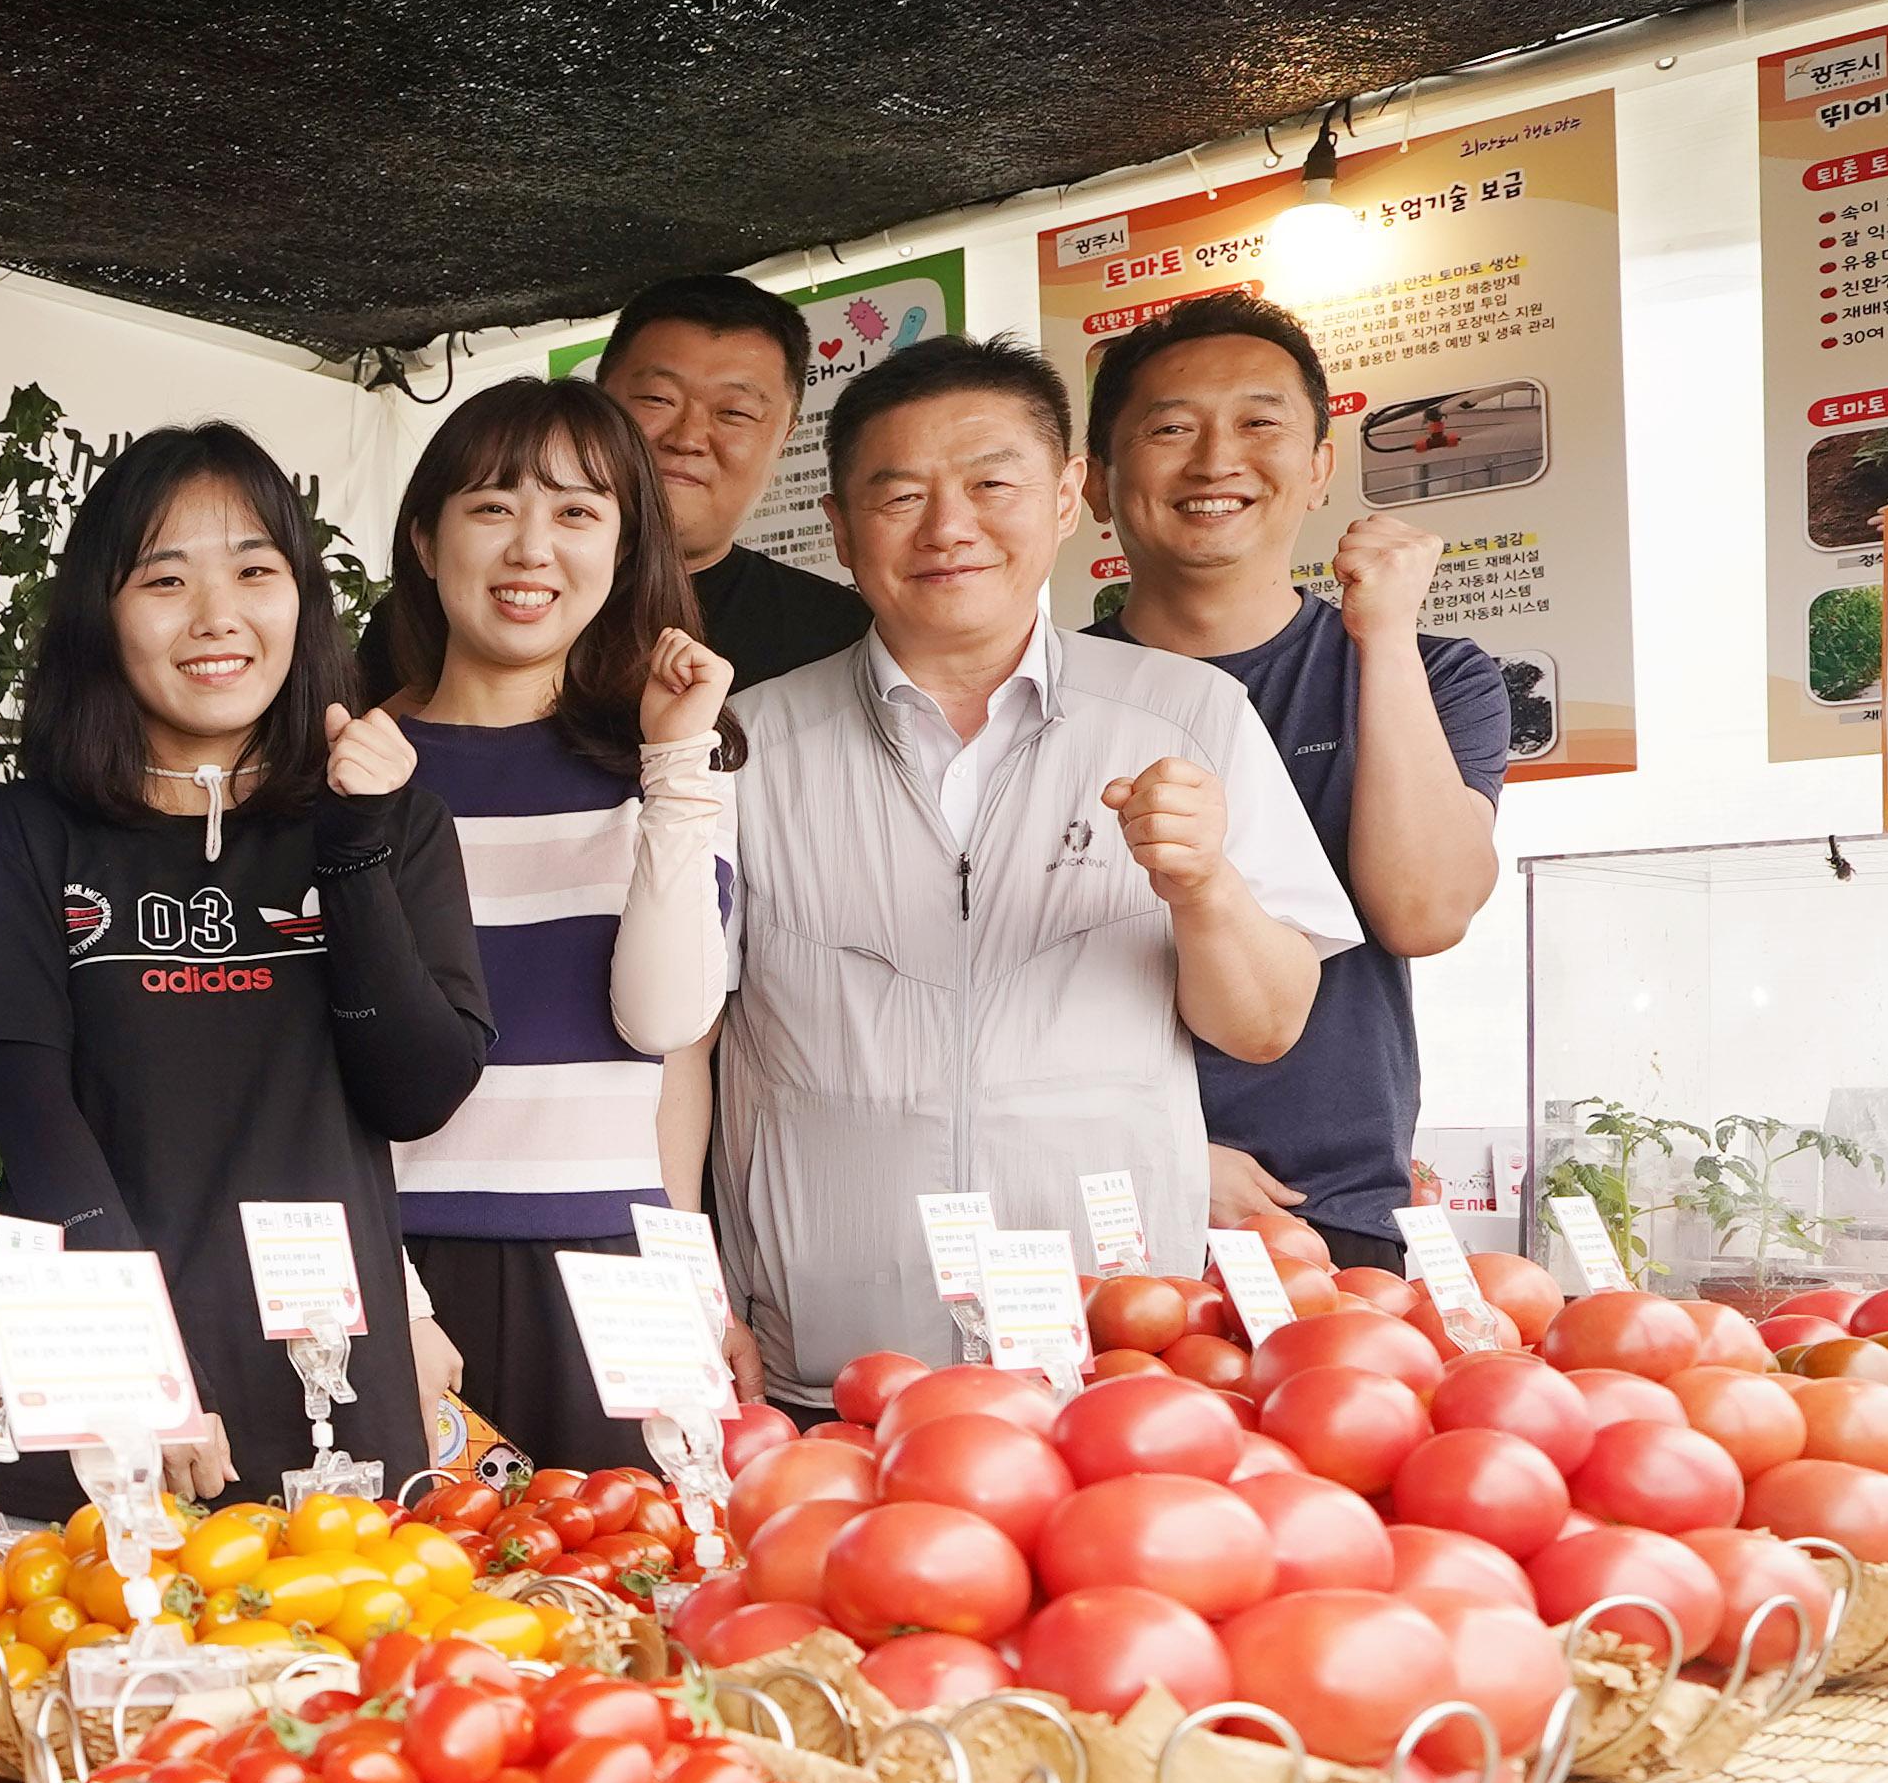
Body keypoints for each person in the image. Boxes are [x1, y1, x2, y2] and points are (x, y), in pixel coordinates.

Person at [713, 334, 1362, 1401]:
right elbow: (683, 1043)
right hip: (830, 1359)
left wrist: (1204, 886)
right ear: (838, 527)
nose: (949, 527)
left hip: (1106, 1353)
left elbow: (1265, 1023)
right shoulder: (746, 743)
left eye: (991, 483)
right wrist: (701, 1286)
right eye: (900, 494)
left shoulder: (1188, 715)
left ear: (1067, 497)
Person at [0, 427, 493, 1486]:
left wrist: (353, 857)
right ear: (101, 617)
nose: (219, 617)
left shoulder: (398, 825)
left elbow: (419, 1089)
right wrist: (136, 1359)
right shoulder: (26, 830)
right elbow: (21, 1090)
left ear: (301, 597)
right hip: (92, 1360)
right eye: (166, 579)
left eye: (256, 571)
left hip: (326, 1372)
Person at [1082, 287, 1509, 1274]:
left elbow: (1424, 913)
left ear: (1320, 469)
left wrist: (1385, 636)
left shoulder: (1435, 673)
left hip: (1336, 1211)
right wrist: (1162, 1156)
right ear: (1097, 486)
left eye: (1260, 424)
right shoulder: (1044, 701)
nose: (1216, 460)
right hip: (1102, 1200)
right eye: (1171, 428)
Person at [363, 378, 738, 1466]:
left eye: (577, 513)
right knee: (389, 1616)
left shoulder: (676, 762)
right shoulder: (349, 767)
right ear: (427, 541)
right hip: (394, 1265)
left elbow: (667, 1025)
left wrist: (673, 760)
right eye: (493, 507)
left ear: (625, 552)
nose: (533, 547)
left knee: (618, 1616)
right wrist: (385, 1289)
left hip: (610, 1266)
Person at [595, 272, 878, 687]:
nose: (688, 438)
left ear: (785, 438)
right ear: (595, 405)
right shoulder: (504, 602)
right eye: (658, 399)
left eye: (734, 413)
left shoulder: (843, 641)